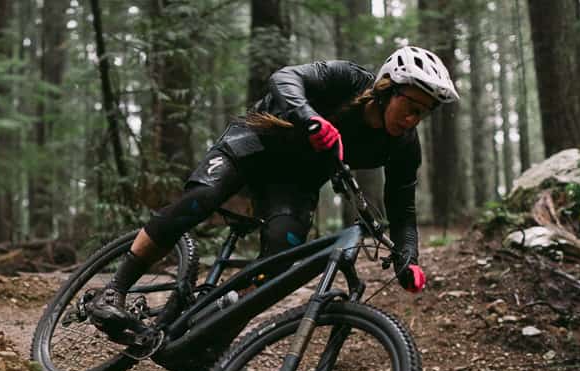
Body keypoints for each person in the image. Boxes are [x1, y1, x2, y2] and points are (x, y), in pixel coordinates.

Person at [88, 45, 461, 337]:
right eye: (409, 105)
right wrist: (310, 117)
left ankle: (212, 338)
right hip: (253, 145)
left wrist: (408, 258)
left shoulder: (404, 146)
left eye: (422, 112)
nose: (412, 118)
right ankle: (114, 290)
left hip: (296, 182)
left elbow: (403, 211)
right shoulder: (349, 80)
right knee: (199, 201)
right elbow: (284, 78)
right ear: (386, 89)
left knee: (282, 260)